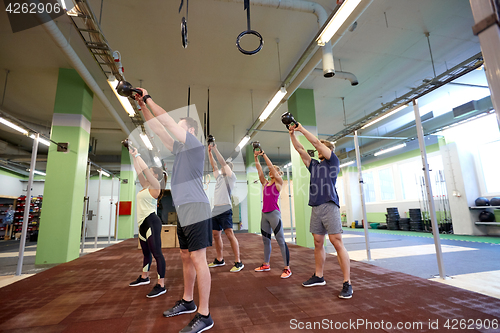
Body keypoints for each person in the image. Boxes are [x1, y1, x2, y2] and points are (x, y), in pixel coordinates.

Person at [134, 89, 214, 333]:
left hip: (196, 209)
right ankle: (188, 301)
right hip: (184, 211)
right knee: (185, 256)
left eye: (180, 127)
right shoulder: (179, 150)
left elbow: (166, 122)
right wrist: (142, 107)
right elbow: (159, 128)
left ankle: (205, 314)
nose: (174, 131)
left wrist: (148, 97)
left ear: (189, 131)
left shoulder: (194, 145)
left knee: (199, 259)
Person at [288, 122, 352, 299]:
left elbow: (316, 143)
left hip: (330, 204)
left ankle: (347, 283)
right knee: (317, 241)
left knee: (336, 241)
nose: (317, 149)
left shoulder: (333, 162)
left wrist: (301, 128)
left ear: (327, 150)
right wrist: (292, 134)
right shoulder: (314, 165)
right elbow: (301, 150)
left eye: (321, 148)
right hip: (316, 206)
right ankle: (319, 276)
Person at [127, 146, 168, 298]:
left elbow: (143, 169)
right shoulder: (145, 186)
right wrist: (133, 155)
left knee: (157, 253)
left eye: (151, 171)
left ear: (156, 175)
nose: (148, 173)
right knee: (146, 253)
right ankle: (144, 277)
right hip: (142, 223)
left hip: (152, 222)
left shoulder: (156, 186)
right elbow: (139, 171)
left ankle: (161, 284)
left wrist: (138, 154)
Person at [253, 149, 291, 279]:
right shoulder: (265, 183)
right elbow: (259, 171)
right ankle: (266, 264)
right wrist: (256, 158)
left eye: (272, 171)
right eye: (269, 171)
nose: (270, 172)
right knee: (265, 240)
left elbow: (271, 167)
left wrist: (264, 154)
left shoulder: (279, 183)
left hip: (274, 214)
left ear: (277, 173)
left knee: (280, 240)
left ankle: (287, 268)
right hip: (264, 215)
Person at [207, 143, 243, 272]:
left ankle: (238, 262)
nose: (222, 168)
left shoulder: (231, 177)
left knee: (229, 234)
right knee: (216, 235)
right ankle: (220, 259)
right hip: (215, 209)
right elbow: (214, 165)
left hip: (225, 208)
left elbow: (221, 163)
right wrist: (210, 152)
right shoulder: (219, 178)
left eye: (225, 167)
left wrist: (216, 148)